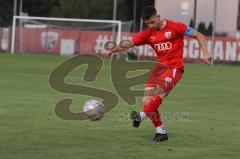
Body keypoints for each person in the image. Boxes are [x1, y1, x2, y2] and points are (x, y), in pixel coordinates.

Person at [106, 6, 212, 141]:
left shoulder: (175, 26)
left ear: (157, 16)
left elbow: (199, 35)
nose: (150, 25)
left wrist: (206, 53)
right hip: (159, 68)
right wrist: (114, 49)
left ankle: (140, 116)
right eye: (147, 24)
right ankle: (161, 132)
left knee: (158, 93)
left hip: (174, 68)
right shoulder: (148, 33)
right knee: (146, 100)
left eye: (151, 22)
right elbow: (130, 43)